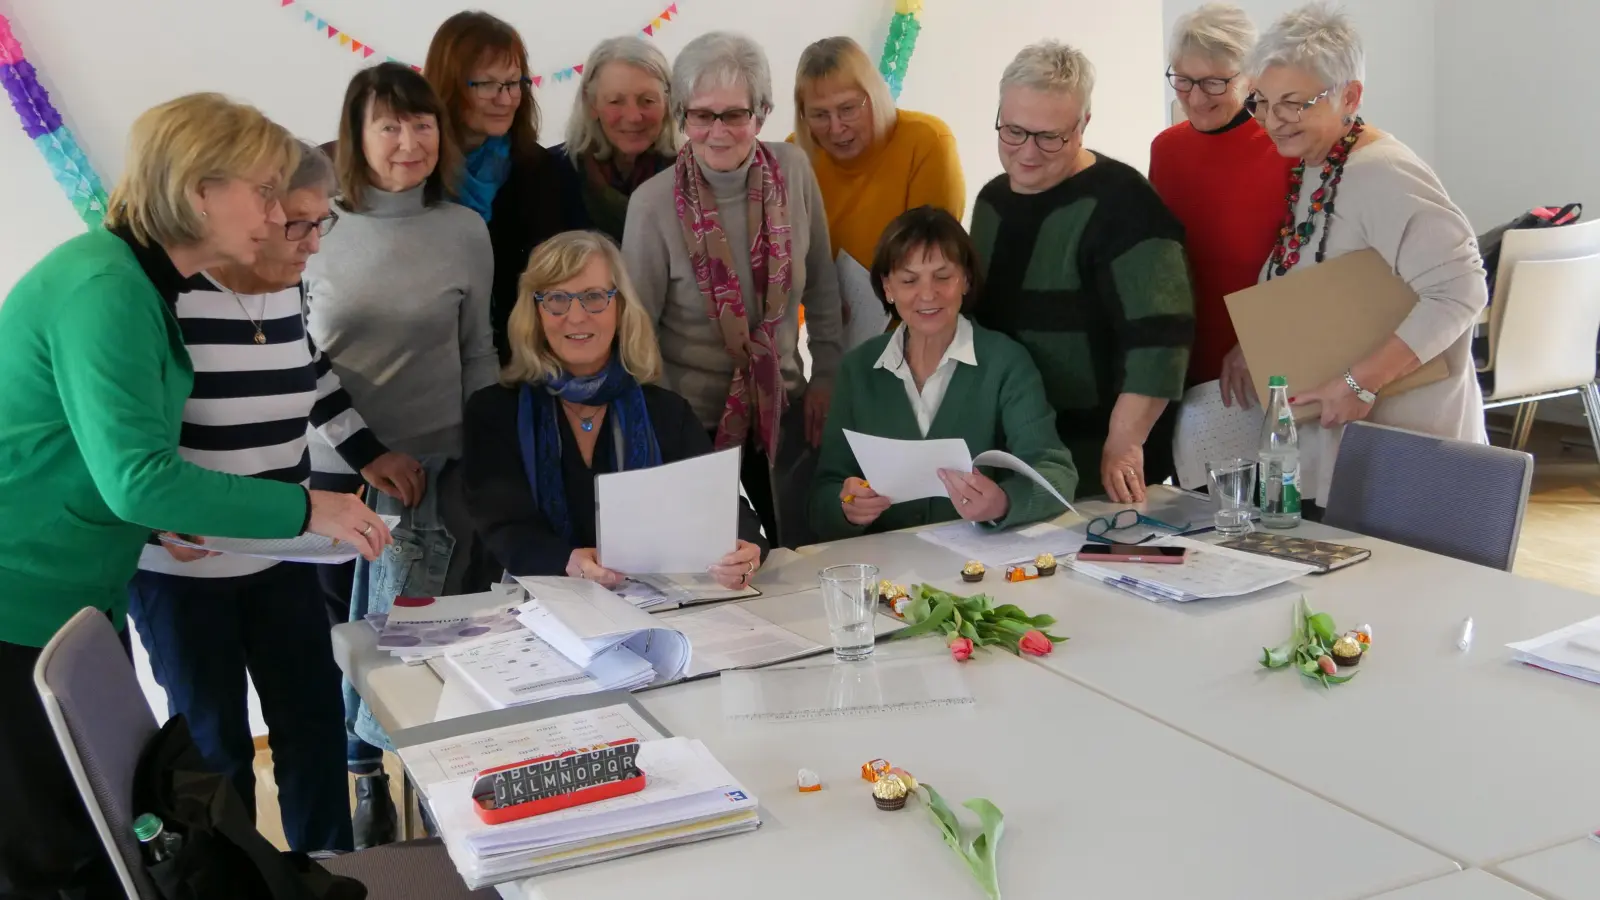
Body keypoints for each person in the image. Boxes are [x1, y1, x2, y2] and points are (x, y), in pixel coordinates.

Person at [0, 94, 389, 899]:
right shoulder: (103, 287)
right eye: (265, 192)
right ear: (198, 189)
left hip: (70, 592)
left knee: (89, 839)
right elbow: (138, 478)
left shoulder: (139, 284)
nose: (280, 214)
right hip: (19, 595)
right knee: (52, 858)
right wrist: (308, 507)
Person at [127, 143, 419, 855]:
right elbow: (124, 433)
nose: (314, 245)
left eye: (325, 224)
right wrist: (161, 514)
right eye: (298, 225)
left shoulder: (283, 287)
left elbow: (310, 371)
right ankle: (230, 879)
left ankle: (324, 873)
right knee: (214, 744)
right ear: (245, 216)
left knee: (313, 724)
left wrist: (367, 453)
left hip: (280, 548)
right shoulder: (167, 296)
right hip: (182, 568)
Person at [304, 61, 495, 848]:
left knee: (421, 654)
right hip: (332, 476)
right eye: (389, 125)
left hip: (437, 477)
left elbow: (477, 351)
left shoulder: (463, 229)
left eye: (422, 125)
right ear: (356, 134)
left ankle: (436, 806)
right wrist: (368, 450)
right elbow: (294, 356)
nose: (408, 142)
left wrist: (488, 454)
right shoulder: (315, 225)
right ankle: (360, 779)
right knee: (342, 650)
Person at [1245, 3, 1488, 511]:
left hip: (1408, 453)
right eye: (1261, 103)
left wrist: (1360, 381)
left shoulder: (1383, 173)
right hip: (1346, 443)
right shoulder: (1317, 162)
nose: (1272, 121)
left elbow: (1462, 290)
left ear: (1349, 96)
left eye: (1293, 103)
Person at [623, 31, 845, 549]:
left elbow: (825, 283)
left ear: (762, 113)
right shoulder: (651, 205)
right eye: (701, 115)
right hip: (692, 421)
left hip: (784, 404)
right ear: (682, 116)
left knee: (806, 551)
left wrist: (828, 373)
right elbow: (637, 335)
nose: (717, 132)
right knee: (720, 565)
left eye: (734, 114)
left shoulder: (794, 170)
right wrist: (659, 436)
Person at [465, 231, 767, 586]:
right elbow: (503, 529)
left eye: (594, 297)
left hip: (647, 606)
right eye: (557, 299)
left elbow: (723, 510)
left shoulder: (667, 412)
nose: (576, 317)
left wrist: (746, 550)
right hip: (525, 607)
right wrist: (567, 562)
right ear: (535, 313)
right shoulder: (493, 412)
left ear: (621, 308)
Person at [969, 41, 1195, 504]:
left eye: (1049, 137)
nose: (1027, 153)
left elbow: (1162, 342)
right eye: (1013, 131)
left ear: (1083, 125)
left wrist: (1125, 443)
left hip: (1103, 456)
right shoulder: (991, 202)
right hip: (1012, 447)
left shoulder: (1126, 205)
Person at [811, 207, 1078, 540]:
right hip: (885, 569)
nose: (927, 294)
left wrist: (1005, 502)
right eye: (909, 280)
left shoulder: (1005, 362)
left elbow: (1056, 473)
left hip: (977, 568)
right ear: (887, 287)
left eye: (943, 276)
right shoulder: (858, 368)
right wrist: (847, 506)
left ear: (965, 279)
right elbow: (825, 490)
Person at [1150, 4, 1294, 402]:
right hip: (1182, 367)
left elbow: (1315, 267)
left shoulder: (1286, 149)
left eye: (1214, 83)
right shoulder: (1166, 150)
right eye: (1183, 80)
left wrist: (1260, 340)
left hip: (1267, 367)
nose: (1195, 98)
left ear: (1252, 77)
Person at [425, 10, 566, 364]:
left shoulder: (538, 168)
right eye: (487, 84)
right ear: (449, 85)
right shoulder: (415, 171)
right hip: (429, 359)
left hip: (517, 357)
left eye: (513, 82)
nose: (505, 99)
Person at [793, 36, 964, 297]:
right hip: (824, 320)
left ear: (873, 96)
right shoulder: (796, 157)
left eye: (848, 109)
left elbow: (933, 263)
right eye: (819, 115)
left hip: (911, 316)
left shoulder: (927, 142)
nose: (836, 128)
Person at [550, 36, 679, 243]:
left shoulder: (690, 177)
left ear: (668, 103)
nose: (633, 116)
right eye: (615, 101)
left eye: (647, 101)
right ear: (592, 104)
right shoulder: (548, 173)